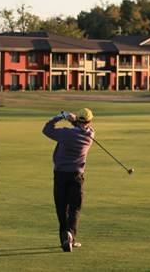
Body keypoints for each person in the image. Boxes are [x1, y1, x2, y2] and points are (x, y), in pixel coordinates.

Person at [42, 108, 95, 252]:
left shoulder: (66, 133)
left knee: (61, 207)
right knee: (74, 208)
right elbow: (83, 127)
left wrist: (60, 117)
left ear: (77, 120)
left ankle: (65, 238)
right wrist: (74, 120)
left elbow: (46, 130)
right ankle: (70, 235)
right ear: (90, 121)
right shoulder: (90, 135)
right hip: (76, 176)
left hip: (60, 174)